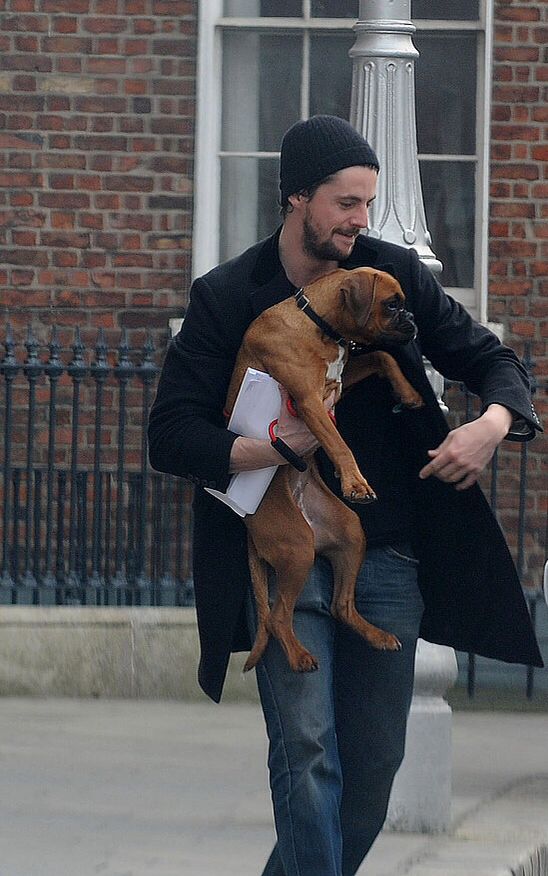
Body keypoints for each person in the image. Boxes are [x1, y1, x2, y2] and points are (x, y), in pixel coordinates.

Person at [148, 115, 542, 876]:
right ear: (298, 199)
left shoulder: (388, 278)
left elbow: (491, 359)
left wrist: (491, 425)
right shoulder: (230, 296)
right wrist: (271, 447)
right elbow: (170, 434)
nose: (362, 220)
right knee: (307, 750)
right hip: (278, 538)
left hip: (386, 552)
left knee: (370, 775)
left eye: (368, 203)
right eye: (347, 203)